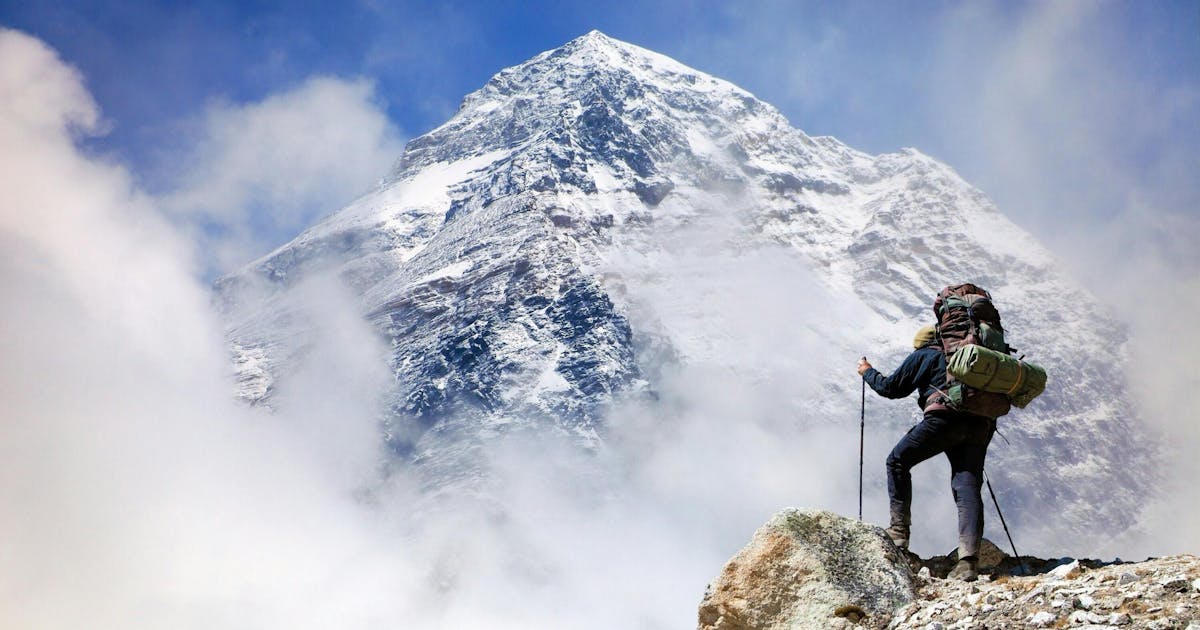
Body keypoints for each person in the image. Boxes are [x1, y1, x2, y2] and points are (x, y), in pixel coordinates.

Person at [857, 325, 995, 581]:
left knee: (897, 461)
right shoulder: (972, 358)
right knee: (967, 485)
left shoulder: (925, 354)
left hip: (944, 420)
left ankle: (898, 532)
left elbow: (891, 388)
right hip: (981, 423)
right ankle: (968, 562)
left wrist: (867, 372)